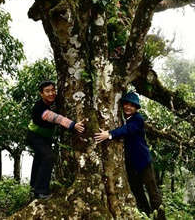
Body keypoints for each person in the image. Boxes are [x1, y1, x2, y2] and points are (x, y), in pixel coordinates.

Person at [94, 91, 165, 219]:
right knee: (137, 191)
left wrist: (109, 134)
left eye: (132, 106)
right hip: (131, 165)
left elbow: (127, 130)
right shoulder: (122, 119)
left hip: (143, 162)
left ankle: (160, 217)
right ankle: (147, 214)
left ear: (136, 108)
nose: (128, 107)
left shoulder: (137, 119)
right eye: (126, 104)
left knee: (152, 191)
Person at [27, 80, 84, 199]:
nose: (51, 93)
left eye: (53, 90)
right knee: (48, 157)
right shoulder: (39, 107)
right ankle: (41, 191)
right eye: (47, 91)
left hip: (46, 137)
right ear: (41, 94)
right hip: (35, 136)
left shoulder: (56, 101)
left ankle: (33, 187)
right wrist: (73, 125)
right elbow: (55, 118)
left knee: (39, 159)